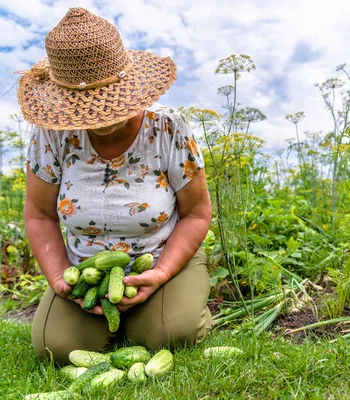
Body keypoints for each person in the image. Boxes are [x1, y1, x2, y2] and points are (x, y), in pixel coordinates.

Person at [18, 8, 212, 366]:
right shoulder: (51, 134)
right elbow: (40, 214)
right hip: (87, 267)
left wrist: (160, 273)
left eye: (107, 106)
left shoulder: (167, 128)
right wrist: (61, 279)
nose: (100, 120)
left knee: (171, 335)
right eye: (83, 109)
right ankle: (123, 321)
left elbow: (197, 213)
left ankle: (162, 309)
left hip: (161, 256)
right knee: (55, 348)